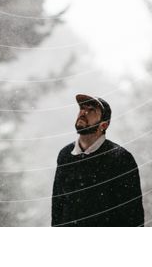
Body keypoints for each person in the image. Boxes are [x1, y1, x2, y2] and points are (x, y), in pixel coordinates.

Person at [51, 93, 144, 226]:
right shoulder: (65, 155)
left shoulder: (121, 158)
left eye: (91, 110)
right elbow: (58, 206)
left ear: (103, 125)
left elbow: (133, 214)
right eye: (82, 108)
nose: (83, 112)